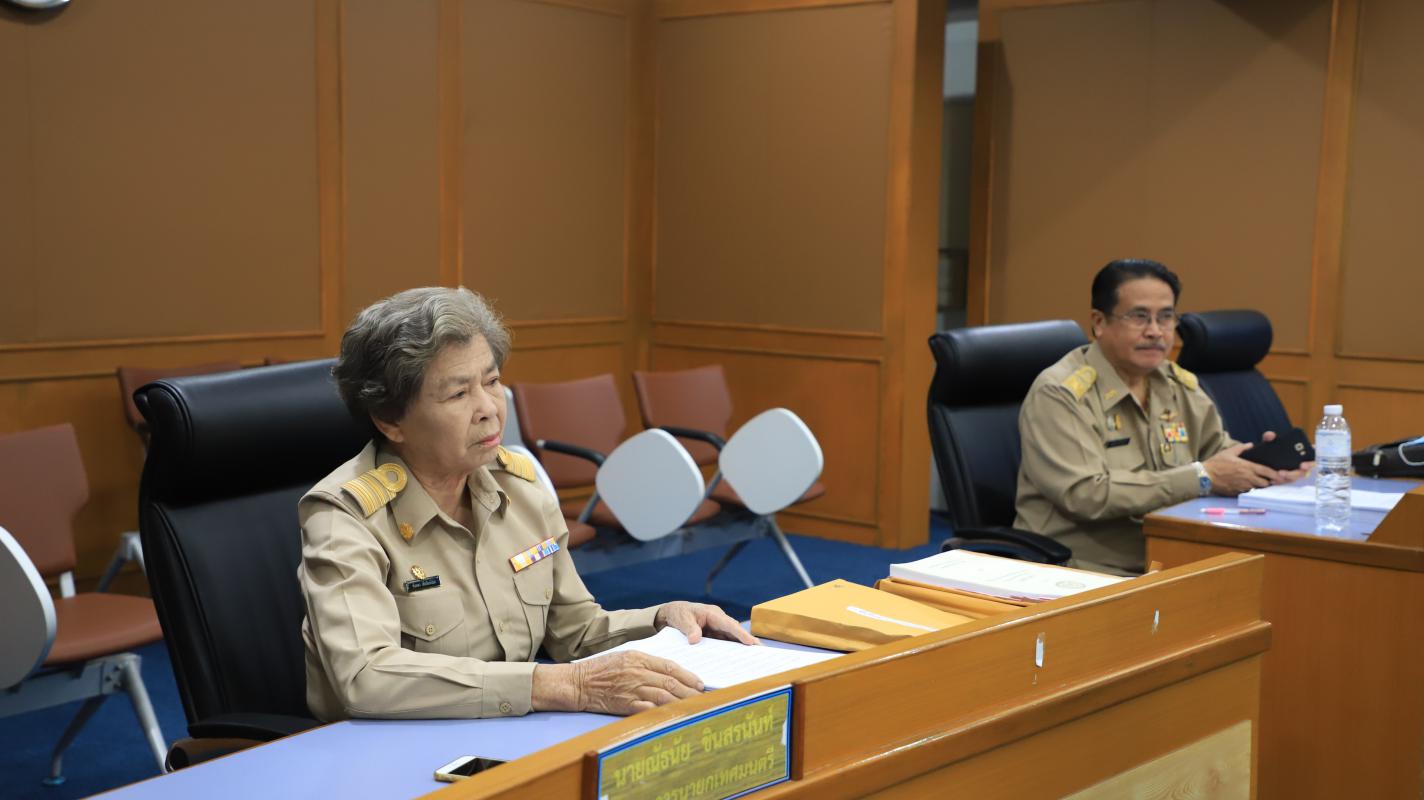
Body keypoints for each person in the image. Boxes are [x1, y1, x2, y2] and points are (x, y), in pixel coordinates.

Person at [298, 286, 757, 722]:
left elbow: (575, 630)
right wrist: (560, 685)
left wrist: (661, 620)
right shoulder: (345, 516)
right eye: (459, 393)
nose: (490, 408)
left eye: (492, 381)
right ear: (390, 420)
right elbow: (366, 676)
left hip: (505, 730)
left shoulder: (519, 487)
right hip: (383, 747)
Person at [1014, 259, 1310, 575]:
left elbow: (1216, 453)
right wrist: (1202, 478)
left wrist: (1262, 468)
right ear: (1099, 322)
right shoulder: (1061, 393)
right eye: (1139, 317)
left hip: (1172, 555)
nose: (1155, 331)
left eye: (1166, 317)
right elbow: (1086, 495)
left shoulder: (1175, 383)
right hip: (1083, 569)